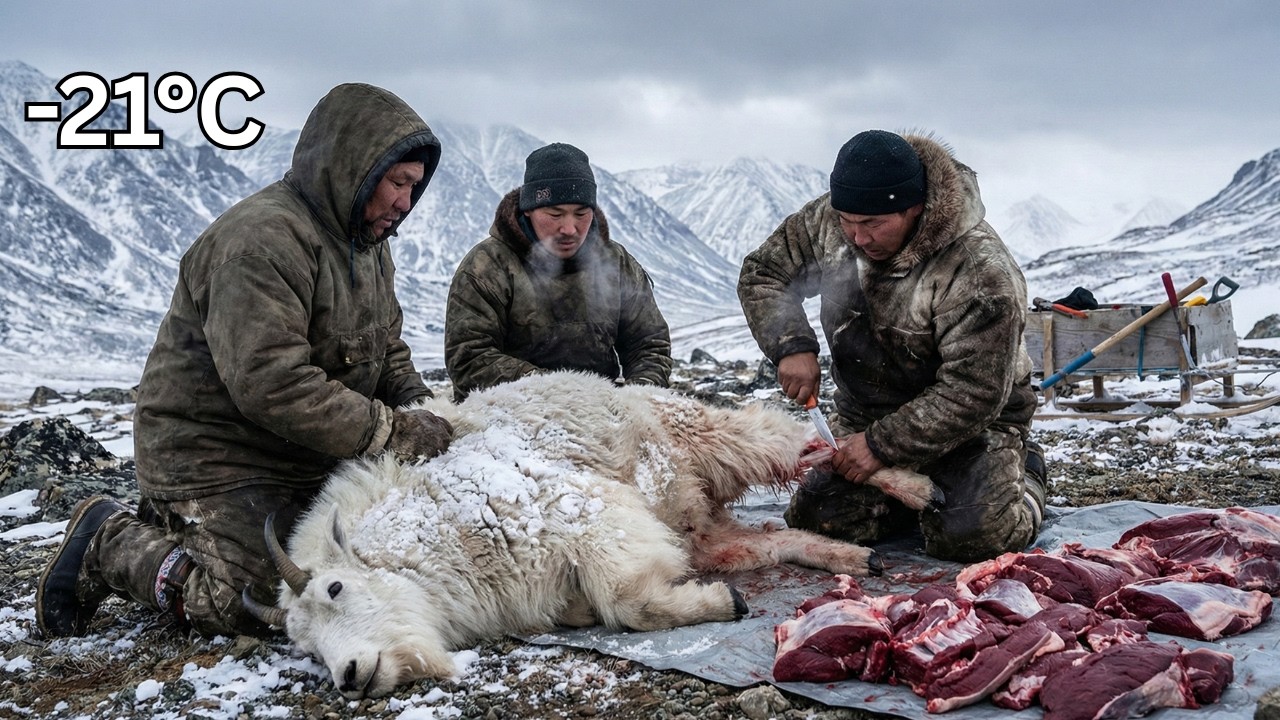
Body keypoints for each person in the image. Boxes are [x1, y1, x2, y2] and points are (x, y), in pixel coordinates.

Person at [37, 83, 454, 640]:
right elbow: (271, 383)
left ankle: (186, 525)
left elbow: (387, 352)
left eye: (415, 187)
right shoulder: (259, 243)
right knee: (258, 598)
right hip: (213, 453)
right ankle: (106, 538)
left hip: (299, 450)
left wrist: (425, 410)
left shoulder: (367, 245)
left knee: (378, 545)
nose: (405, 203)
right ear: (352, 168)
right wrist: (389, 430)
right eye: (397, 182)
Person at [737, 129, 1046, 563]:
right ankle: (907, 502)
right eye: (847, 221)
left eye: (873, 225)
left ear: (915, 209)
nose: (857, 238)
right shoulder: (830, 221)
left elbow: (973, 392)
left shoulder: (978, 271)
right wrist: (790, 344)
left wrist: (879, 447)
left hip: (975, 425)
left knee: (972, 539)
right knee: (818, 521)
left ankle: (1027, 473)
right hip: (866, 411)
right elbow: (764, 273)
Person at [444, 142, 671, 401]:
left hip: (602, 413)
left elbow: (649, 344)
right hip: (508, 414)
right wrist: (559, 393)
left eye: (581, 213)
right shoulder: (486, 266)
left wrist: (638, 398)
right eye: (555, 214)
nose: (569, 229)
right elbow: (469, 358)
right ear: (528, 210)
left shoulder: (616, 262)